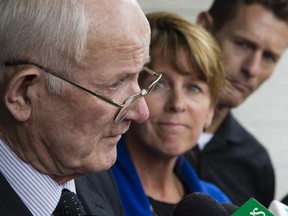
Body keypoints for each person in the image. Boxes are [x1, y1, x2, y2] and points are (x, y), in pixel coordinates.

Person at [0, 0, 162, 215]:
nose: (141, 112)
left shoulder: (94, 176)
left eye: (140, 76)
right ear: (23, 94)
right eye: (115, 84)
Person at [111, 11, 231, 216]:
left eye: (194, 88)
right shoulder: (89, 184)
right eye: (159, 85)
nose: (177, 104)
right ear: (130, 92)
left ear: (210, 111)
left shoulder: (219, 203)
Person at [185, 0, 288, 207]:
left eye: (268, 57)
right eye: (243, 44)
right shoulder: (127, 131)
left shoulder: (256, 163)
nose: (252, 69)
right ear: (205, 27)